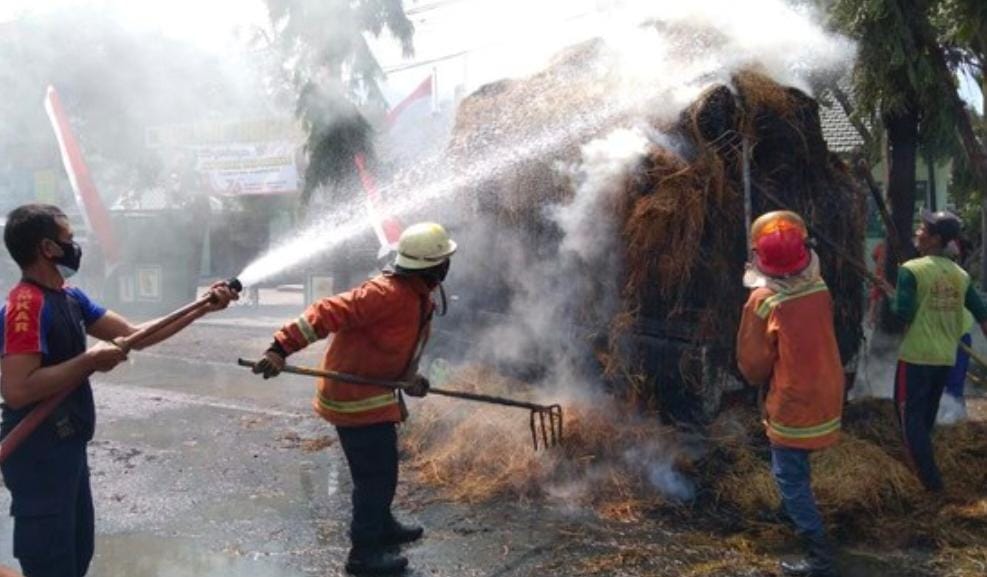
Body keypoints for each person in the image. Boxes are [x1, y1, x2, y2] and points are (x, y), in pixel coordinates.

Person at [0, 204, 237, 577]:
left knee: (78, 552)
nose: (75, 246)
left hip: (67, 446)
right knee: (50, 561)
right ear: (47, 248)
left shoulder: (69, 296)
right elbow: (17, 390)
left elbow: (134, 335)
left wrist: (200, 308)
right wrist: (89, 361)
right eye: (69, 239)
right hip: (38, 454)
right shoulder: (24, 307)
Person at [251, 222, 456, 576]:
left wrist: (409, 379)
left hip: (375, 394)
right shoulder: (385, 293)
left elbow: (394, 348)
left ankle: (382, 525)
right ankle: (363, 555)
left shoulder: (417, 296)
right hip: (354, 399)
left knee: (383, 471)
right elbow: (324, 311)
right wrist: (279, 348)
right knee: (375, 477)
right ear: (434, 266)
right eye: (444, 260)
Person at [737, 211, 843, 577]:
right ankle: (790, 508)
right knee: (796, 464)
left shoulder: (764, 301)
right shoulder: (820, 288)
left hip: (795, 398)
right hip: (828, 388)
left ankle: (819, 555)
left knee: (789, 473)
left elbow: (753, 364)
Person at [890, 210, 987, 491]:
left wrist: (896, 298)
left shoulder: (911, 270)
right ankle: (922, 468)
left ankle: (931, 486)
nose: (918, 232)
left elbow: (903, 313)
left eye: (923, 229)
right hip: (945, 357)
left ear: (935, 239)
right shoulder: (960, 275)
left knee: (910, 421)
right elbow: (981, 315)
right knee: (924, 420)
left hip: (916, 356)